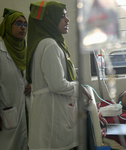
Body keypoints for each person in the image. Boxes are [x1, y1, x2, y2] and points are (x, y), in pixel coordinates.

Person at [26, 1, 91, 150]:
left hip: (51, 110)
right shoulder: (50, 45)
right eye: (62, 16)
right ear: (50, 19)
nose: (67, 20)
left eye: (66, 16)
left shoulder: (47, 43)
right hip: (52, 114)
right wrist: (78, 88)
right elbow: (57, 84)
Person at [0, 8, 31, 150]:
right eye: (18, 23)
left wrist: (33, 83)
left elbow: (32, 76)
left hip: (28, 108)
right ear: (7, 25)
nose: (23, 27)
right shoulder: (1, 50)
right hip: (7, 112)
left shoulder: (27, 50)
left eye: (25, 24)